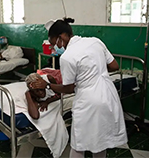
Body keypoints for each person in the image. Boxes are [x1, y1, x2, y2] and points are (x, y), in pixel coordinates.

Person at [31, 18, 127, 158]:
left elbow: (69, 88)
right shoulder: (95, 41)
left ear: (62, 36)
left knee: (78, 143)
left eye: (53, 44)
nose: (54, 48)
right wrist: (94, 71)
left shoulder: (67, 57)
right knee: (100, 140)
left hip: (89, 101)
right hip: (108, 95)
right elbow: (114, 66)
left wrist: (48, 85)